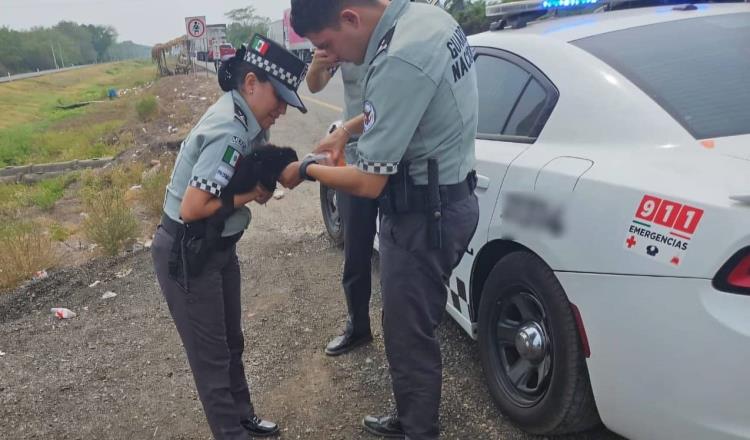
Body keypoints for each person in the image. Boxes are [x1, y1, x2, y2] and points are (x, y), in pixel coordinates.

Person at [288, 1, 480, 439]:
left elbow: (369, 183)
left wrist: (305, 169)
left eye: (327, 44)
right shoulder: (427, 19)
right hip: (441, 201)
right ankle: (411, 412)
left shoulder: (400, 57)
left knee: (409, 338)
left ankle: (417, 429)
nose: (332, 56)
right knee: (407, 327)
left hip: (422, 217)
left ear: (351, 18)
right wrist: (345, 131)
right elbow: (398, 107)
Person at [150, 34, 306, 440]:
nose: (283, 110)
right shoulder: (230, 131)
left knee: (231, 343)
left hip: (216, 245)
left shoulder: (248, 121)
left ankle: (243, 419)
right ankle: (231, 432)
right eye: (280, 98)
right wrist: (251, 195)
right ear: (251, 83)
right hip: (190, 250)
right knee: (212, 358)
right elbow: (193, 208)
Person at [306, 48, 376, 356]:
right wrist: (318, 64)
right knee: (356, 249)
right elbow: (314, 86)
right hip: (355, 156)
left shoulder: (393, 40)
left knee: (402, 251)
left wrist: (345, 129)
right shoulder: (341, 43)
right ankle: (358, 325)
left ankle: (405, 328)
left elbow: (387, 109)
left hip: (395, 153)